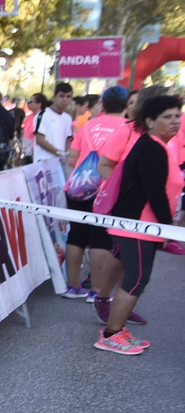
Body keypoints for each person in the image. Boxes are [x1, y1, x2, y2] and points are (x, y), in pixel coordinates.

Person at [95, 94, 181, 355]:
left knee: (130, 273)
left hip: (138, 225)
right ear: (150, 121)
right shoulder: (152, 147)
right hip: (140, 225)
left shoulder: (158, 145)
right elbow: (154, 191)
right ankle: (111, 335)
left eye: (178, 115)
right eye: (168, 117)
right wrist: (169, 228)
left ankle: (116, 328)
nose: (176, 121)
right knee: (136, 280)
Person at [61, 85, 129, 301]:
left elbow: (72, 158)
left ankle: (73, 286)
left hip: (79, 186)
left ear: (102, 104)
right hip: (108, 189)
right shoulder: (129, 127)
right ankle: (97, 291)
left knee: (77, 233)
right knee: (101, 238)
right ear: (127, 105)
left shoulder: (88, 125)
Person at [32, 82, 76, 189]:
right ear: (55, 96)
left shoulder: (67, 118)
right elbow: (40, 139)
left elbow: (68, 140)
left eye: (68, 96)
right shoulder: (43, 115)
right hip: (43, 164)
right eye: (61, 96)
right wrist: (59, 153)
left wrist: (67, 156)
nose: (65, 99)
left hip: (60, 165)